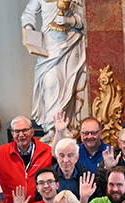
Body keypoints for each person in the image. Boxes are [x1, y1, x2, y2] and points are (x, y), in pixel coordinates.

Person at [21, 0, 87, 134]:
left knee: (69, 85)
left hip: (71, 43)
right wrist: (29, 29)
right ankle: (52, 128)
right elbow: (28, 13)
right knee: (49, 83)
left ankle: (66, 127)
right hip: (49, 46)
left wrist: (69, 20)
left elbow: (86, 19)